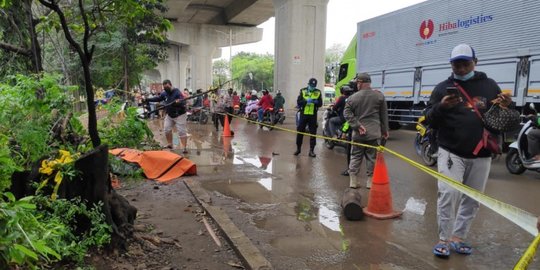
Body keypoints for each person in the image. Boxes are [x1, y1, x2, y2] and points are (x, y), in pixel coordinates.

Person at [425, 44, 512, 257]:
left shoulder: (490, 85)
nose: (462, 68)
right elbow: (428, 117)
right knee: (448, 193)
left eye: (466, 63)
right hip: (451, 151)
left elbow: (500, 117)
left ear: (476, 62)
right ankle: (443, 239)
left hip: (482, 153)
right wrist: (442, 106)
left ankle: (458, 237)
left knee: (472, 199)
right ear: (451, 64)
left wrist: (506, 105)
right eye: (457, 64)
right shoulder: (442, 88)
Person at [343, 73, 388, 190]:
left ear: (360, 83)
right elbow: (384, 115)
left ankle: (353, 181)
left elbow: (346, 113)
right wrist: (385, 130)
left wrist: (357, 125)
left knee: (356, 156)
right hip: (374, 133)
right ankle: (369, 182)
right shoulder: (379, 96)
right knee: (372, 158)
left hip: (359, 134)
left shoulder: (353, 98)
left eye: (357, 82)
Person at [143, 79, 189, 154]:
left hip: (180, 115)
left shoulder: (177, 92)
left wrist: (178, 103)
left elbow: (183, 102)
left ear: (170, 85)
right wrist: (147, 99)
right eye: (164, 88)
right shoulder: (165, 93)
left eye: (167, 87)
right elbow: (158, 98)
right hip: (170, 115)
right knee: (167, 129)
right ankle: (170, 144)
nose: (166, 89)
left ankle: (184, 148)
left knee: (181, 132)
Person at [294, 78, 323, 157]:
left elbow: (320, 103)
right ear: (308, 84)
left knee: (313, 133)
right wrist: (306, 101)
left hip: (313, 115)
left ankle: (311, 151)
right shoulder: (302, 91)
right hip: (304, 114)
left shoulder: (318, 92)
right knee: (300, 131)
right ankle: (298, 149)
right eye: (311, 85)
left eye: (314, 86)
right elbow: (299, 102)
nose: (312, 87)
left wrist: (316, 102)